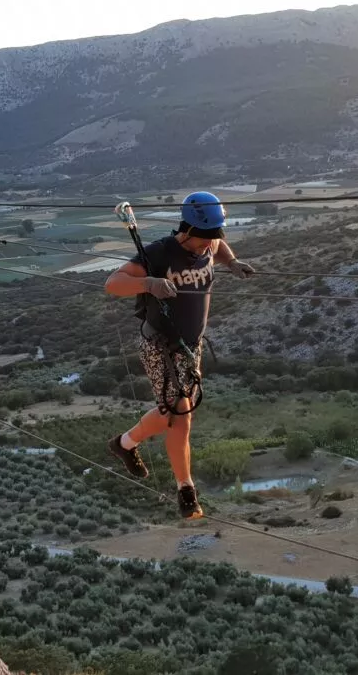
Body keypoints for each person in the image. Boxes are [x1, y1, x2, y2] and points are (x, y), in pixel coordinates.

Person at [103, 191, 255, 519]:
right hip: (160, 345)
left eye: (214, 237)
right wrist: (149, 283)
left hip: (190, 347)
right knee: (180, 416)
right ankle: (186, 489)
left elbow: (219, 247)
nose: (209, 244)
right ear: (186, 230)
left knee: (174, 414)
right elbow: (113, 283)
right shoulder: (160, 253)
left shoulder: (210, 243)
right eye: (204, 238)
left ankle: (125, 444)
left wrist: (232, 262)